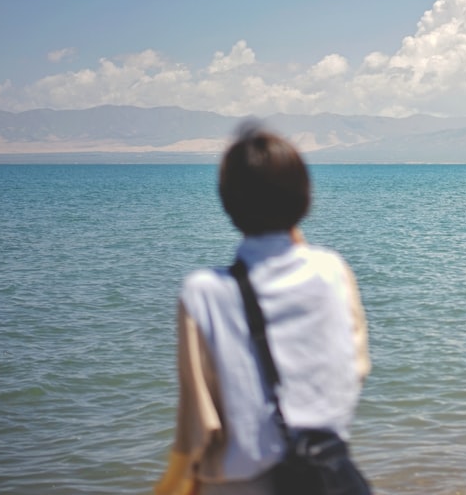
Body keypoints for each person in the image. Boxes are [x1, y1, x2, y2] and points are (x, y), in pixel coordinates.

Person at [155, 123, 370, 495]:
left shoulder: (203, 292)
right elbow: (357, 367)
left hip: (239, 485)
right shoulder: (332, 272)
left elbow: (199, 421)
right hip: (325, 476)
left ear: (228, 203)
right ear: (305, 198)